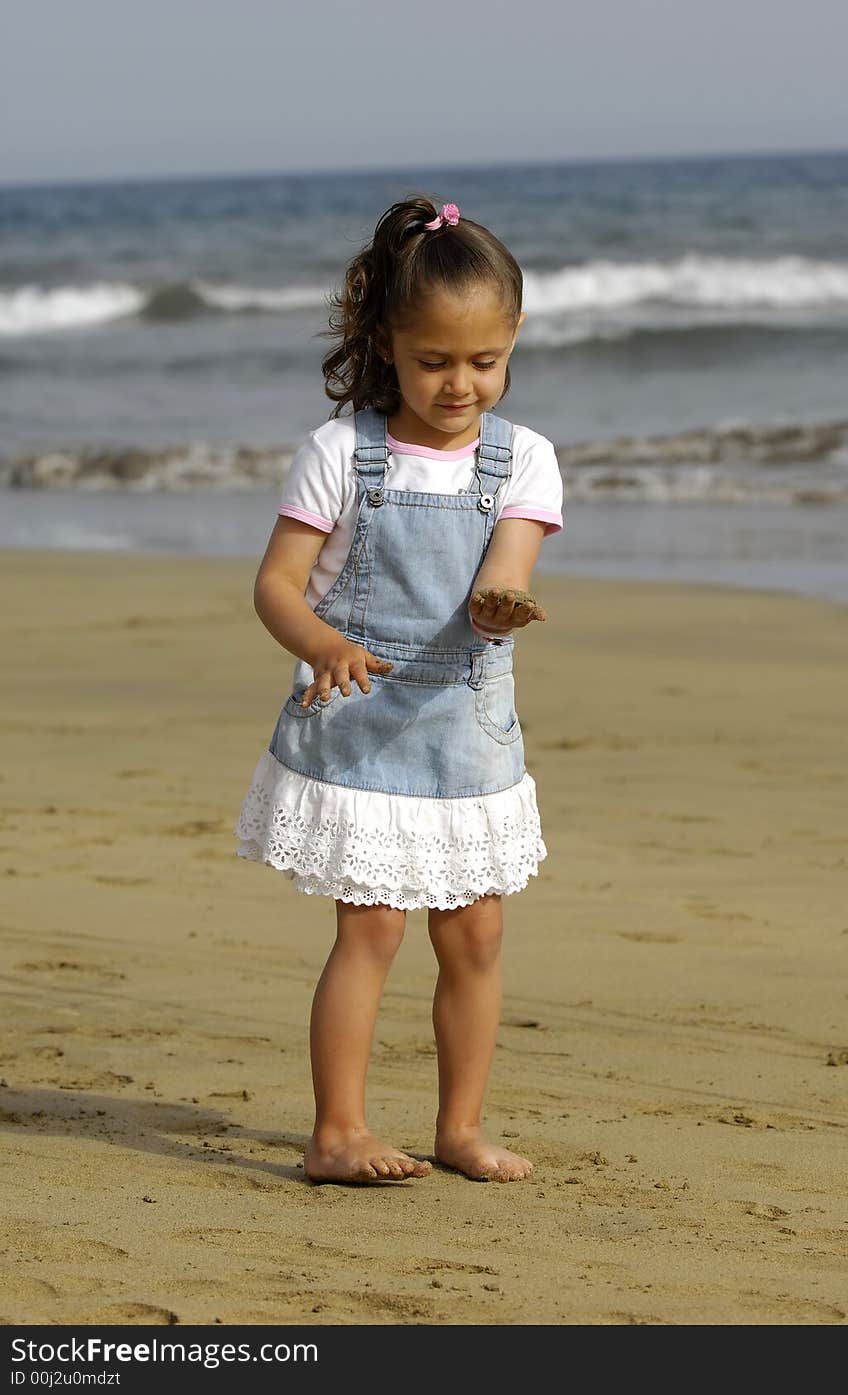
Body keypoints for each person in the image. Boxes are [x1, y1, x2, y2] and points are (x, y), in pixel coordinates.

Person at [234, 197, 563, 1184]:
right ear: (389, 346)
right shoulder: (342, 453)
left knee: (476, 933)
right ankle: (337, 1131)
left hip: (465, 728)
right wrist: (321, 642)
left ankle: (459, 1128)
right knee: (369, 928)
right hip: (361, 725)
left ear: (509, 346)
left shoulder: (525, 458)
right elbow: (275, 586)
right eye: (433, 363)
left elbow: (508, 572)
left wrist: (502, 605)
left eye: (483, 362)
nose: (459, 385)